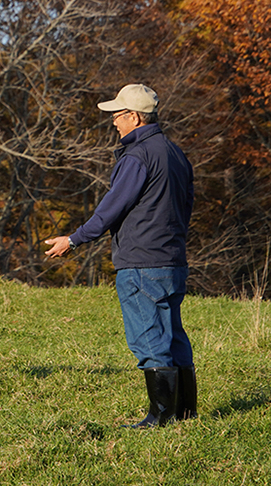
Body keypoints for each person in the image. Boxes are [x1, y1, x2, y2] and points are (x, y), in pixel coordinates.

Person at [44, 84, 196, 428]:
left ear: (134, 116)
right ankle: (186, 413)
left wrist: (74, 239)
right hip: (173, 259)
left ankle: (160, 417)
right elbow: (187, 204)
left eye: (118, 114)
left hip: (142, 262)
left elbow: (112, 208)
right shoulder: (174, 152)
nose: (113, 121)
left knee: (149, 338)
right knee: (173, 335)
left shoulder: (137, 156)